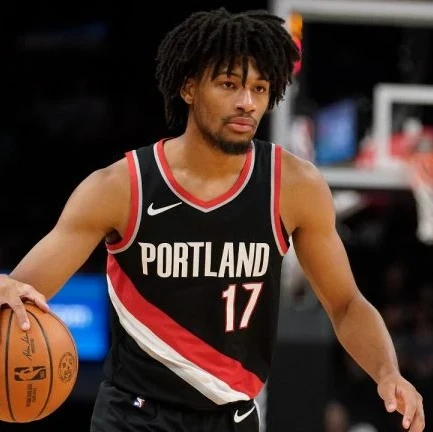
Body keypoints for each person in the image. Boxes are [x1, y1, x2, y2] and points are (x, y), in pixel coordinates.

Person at [0, 7, 425, 432]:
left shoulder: (294, 187)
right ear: (188, 88)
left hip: (232, 416)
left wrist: (387, 372)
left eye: (259, 88)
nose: (247, 102)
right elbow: (21, 292)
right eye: (228, 85)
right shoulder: (122, 187)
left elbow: (346, 304)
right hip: (134, 415)